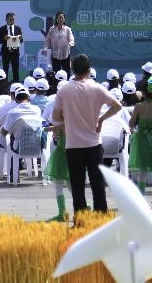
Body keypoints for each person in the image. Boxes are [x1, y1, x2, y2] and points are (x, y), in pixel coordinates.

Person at [52, 54, 121, 215]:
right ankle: (100, 217)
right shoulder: (97, 88)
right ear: (89, 70)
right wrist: (101, 119)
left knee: (77, 186)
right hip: (94, 144)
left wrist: (69, 120)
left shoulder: (64, 90)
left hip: (73, 145)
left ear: (72, 69)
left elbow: (55, 118)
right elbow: (117, 105)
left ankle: (80, 220)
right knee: (98, 185)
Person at [128, 78, 152, 196]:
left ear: (144, 93)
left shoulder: (139, 107)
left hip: (141, 140)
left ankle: (141, 198)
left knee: (142, 170)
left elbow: (131, 123)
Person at [0, 13, 23, 84]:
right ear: (6, 20)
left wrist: (20, 38)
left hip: (15, 52)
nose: (12, 21)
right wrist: (4, 38)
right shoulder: (2, 28)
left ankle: (16, 85)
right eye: (10, 19)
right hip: (5, 52)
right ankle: (4, 86)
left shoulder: (18, 28)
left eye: (13, 20)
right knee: (5, 70)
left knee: (16, 70)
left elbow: (21, 40)